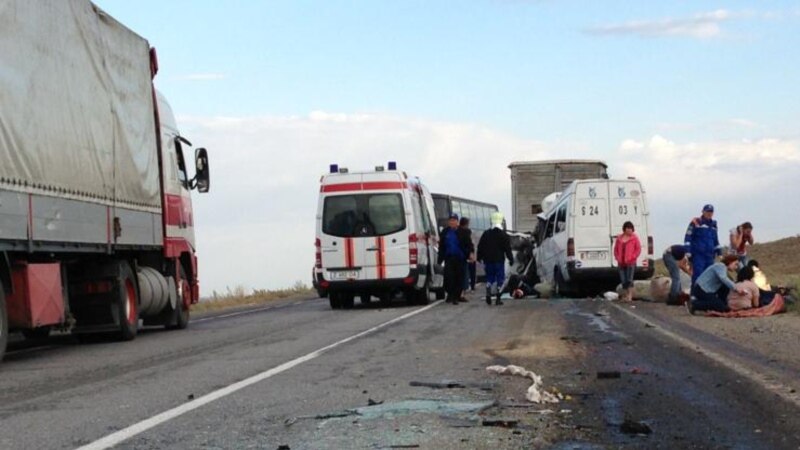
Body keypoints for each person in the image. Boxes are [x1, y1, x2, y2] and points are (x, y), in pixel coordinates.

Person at [477, 212, 514, 305]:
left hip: (488, 260)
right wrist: (511, 259)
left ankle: (488, 289)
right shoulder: (503, 235)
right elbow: (507, 249)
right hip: (499, 260)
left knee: (490, 277)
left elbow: (480, 246)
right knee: (500, 278)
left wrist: (479, 257)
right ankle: (498, 297)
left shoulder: (486, 234)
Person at [438, 213, 472, 305]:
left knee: (459, 278)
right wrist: (440, 259)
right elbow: (441, 246)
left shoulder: (463, 232)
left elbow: (469, 244)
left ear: (457, 222)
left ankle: (456, 297)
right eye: (450, 220)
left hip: (460, 258)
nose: (452, 222)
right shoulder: (445, 232)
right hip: (449, 258)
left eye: (454, 220)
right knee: (449, 277)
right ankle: (450, 294)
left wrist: (470, 253)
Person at [684, 204, 722, 285]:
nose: (709, 213)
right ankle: (695, 292)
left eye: (711, 212)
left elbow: (715, 240)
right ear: (703, 211)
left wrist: (719, 252)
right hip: (698, 255)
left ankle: (707, 292)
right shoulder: (696, 222)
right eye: (707, 211)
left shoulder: (714, 225)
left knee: (709, 277)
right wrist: (688, 251)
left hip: (710, 256)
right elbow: (688, 236)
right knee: (698, 276)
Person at [613, 221, 641, 302]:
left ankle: (630, 296)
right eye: (628, 228)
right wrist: (617, 257)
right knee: (623, 280)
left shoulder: (634, 238)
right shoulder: (619, 238)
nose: (629, 230)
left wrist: (633, 257)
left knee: (629, 279)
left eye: (631, 228)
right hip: (621, 262)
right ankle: (625, 295)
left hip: (630, 262)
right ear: (624, 229)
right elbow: (615, 249)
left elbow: (638, 249)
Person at [459, 217, 476, 301]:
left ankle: (458, 293)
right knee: (466, 275)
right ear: (466, 224)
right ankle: (463, 293)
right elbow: (470, 244)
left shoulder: (456, 231)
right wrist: (471, 253)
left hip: (458, 256)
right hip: (465, 256)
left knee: (461, 275)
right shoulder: (467, 232)